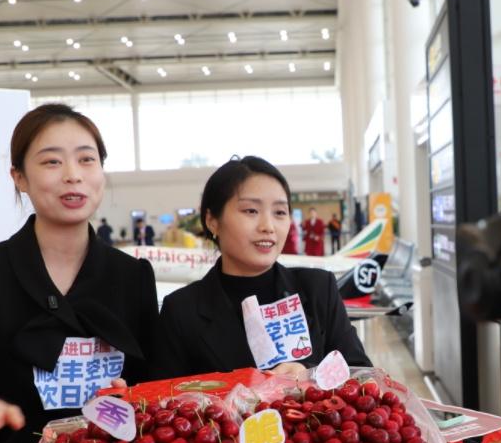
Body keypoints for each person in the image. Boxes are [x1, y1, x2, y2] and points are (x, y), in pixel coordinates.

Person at [0, 104, 159, 443]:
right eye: (52, 162)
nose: (73, 175)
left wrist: (138, 397)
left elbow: (154, 381)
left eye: (87, 159)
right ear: (19, 177)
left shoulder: (132, 276)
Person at [151, 156, 371, 379]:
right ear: (212, 221)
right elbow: (162, 399)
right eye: (251, 211)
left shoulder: (319, 289)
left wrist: (311, 375)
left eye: (280, 213)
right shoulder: (181, 311)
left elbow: (363, 375)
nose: (268, 226)